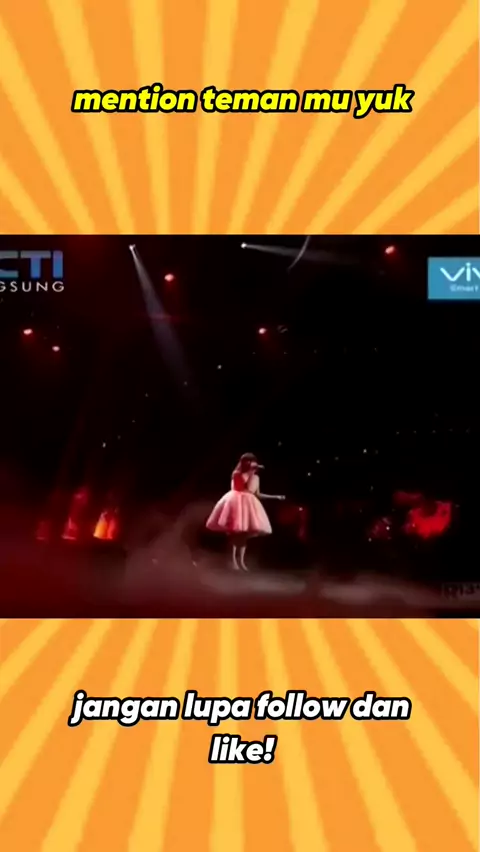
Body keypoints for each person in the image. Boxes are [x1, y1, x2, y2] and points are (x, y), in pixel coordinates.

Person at [206, 453, 285, 571]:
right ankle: (233, 561)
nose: (251, 464)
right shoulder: (237, 474)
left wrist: (275, 497)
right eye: (248, 461)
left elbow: (257, 494)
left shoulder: (256, 478)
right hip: (237, 504)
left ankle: (242, 561)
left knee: (244, 537)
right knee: (235, 534)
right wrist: (250, 472)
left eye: (252, 461)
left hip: (249, 506)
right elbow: (239, 486)